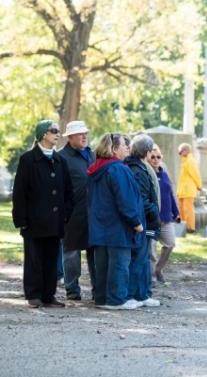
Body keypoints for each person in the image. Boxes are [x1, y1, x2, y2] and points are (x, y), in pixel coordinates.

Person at [12, 120, 73, 308]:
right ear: (43, 135)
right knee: (34, 259)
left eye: (58, 131)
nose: (57, 134)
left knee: (51, 259)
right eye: (53, 131)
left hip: (55, 222)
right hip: (33, 221)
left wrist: (65, 215)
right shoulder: (28, 159)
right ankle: (33, 294)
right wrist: (21, 219)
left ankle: (48, 295)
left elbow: (68, 192)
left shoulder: (60, 161)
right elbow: (19, 192)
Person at [88, 133, 144, 310]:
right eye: (123, 145)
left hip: (100, 224)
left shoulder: (95, 169)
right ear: (113, 149)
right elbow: (125, 199)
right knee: (119, 263)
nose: (127, 147)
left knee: (103, 264)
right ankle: (116, 299)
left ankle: (102, 298)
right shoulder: (118, 169)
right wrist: (135, 222)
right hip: (118, 226)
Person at [58, 120, 96, 301]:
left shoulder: (92, 155)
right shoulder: (61, 157)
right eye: (80, 134)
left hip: (93, 213)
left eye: (85, 133)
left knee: (94, 252)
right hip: (71, 214)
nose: (84, 136)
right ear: (70, 137)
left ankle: (98, 289)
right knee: (71, 253)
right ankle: (72, 289)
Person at [125, 134, 161, 307]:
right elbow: (142, 199)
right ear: (146, 152)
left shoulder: (138, 166)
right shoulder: (137, 169)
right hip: (143, 221)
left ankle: (144, 294)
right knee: (139, 259)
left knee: (144, 259)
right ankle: (133, 295)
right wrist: (154, 211)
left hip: (145, 220)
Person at [147, 145, 179, 284]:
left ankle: (158, 270)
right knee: (151, 251)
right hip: (151, 219)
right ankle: (150, 278)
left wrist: (176, 212)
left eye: (158, 157)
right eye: (152, 157)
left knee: (170, 244)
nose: (155, 159)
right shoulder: (145, 173)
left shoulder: (164, 173)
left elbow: (170, 193)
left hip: (166, 217)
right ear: (147, 157)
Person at [177, 143, 202, 233]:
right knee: (181, 210)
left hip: (189, 190)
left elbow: (196, 174)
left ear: (186, 151)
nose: (179, 154)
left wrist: (199, 185)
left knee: (188, 210)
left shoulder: (190, 161)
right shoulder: (184, 160)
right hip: (182, 190)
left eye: (180, 152)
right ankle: (183, 227)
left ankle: (190, 228)